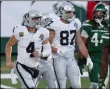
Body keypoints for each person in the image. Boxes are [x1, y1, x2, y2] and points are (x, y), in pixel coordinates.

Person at [45, 1, 93, 88]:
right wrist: (58, 50)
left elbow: (80, 42)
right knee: (62, 86)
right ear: (61, 12)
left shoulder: (76, 22)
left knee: (76, 86)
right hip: (58, 59)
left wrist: (87, 57)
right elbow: (46, 43)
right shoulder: (54, 25)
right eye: (68, 12)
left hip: (71, 58)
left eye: (72, 12)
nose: (71, 14)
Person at [5, 10, 52, 89]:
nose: (39, 20)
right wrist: (8, 61)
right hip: (22, 65)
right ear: (29, 19)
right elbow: (9, 45)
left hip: (35, 66)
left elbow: (49, 51)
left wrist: (41, 54)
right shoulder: (20, 31)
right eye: (36, 18)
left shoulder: (43, 32)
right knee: (31, 87)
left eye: (39, 18)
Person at [78, 2, 109, 89]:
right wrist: (81, 59)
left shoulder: (108, 25)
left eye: (100, 12)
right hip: (93, 57)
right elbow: (82, 43)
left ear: (105, 13)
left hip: (105, 58)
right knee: (94, 83)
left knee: (101, 84)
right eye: (96, 12)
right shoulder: (88, 24)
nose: (97, 14)